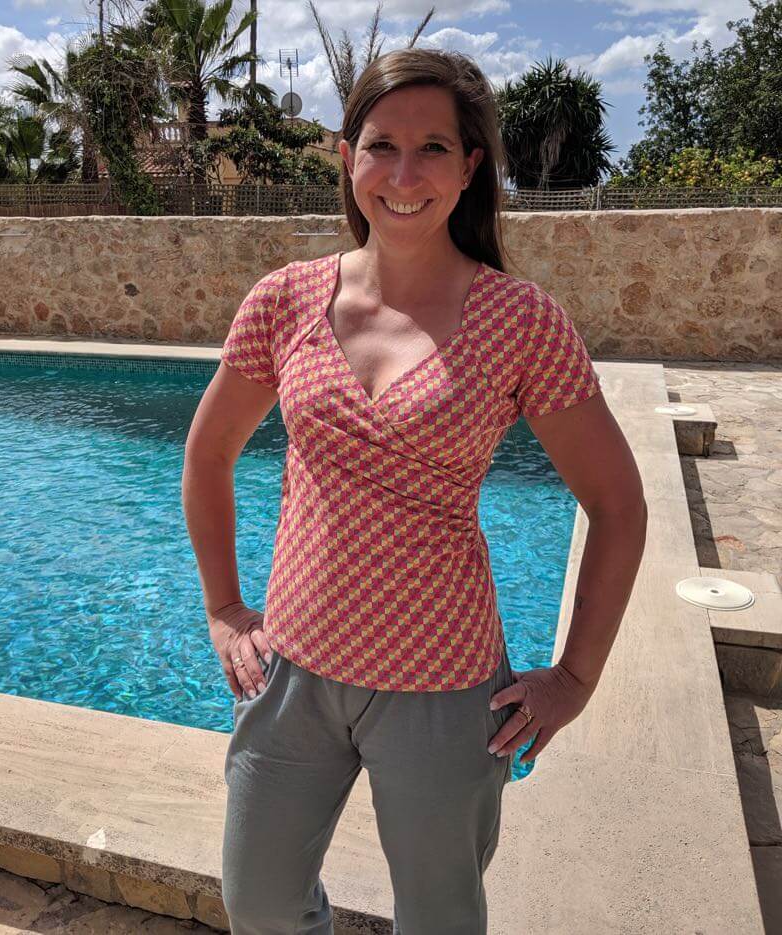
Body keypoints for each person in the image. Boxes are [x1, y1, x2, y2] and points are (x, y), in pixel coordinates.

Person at [183, 47, 646, 935]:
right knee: (260, 904)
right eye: (381, 146)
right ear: (347, 156)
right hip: (293, 672)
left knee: (439, 917)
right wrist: (225, 609)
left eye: (432, 148)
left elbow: (619, 506)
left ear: (470, 168)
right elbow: (208, 456)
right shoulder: (285, 301)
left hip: (443, 683)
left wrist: (575, 676)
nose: (403, 175)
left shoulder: (522, 322)